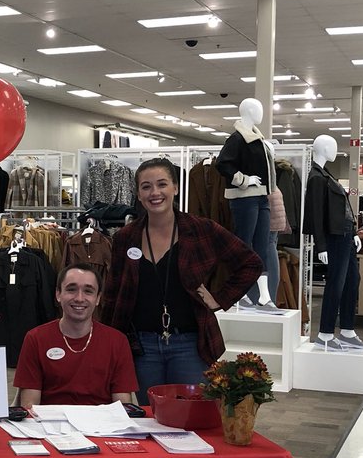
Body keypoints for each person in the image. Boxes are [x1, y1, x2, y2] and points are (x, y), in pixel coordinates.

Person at [102, 156, 263, 403]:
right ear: (138, 194)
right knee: (151, 416)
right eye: (146, 186)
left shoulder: (201, 229)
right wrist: (109, 343)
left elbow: (250, 263)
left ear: (175, 188)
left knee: (193, 416)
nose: (155, 192)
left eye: (162, 184)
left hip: (190, 344)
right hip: (142, 347)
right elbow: (113, 293)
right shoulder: (126, 237)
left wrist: (219, 299)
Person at [14, 265, 138, 407]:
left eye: (88, 291)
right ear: (58, 294)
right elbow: (29, 406)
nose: (79, 298)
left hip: (102, 426)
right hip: (49, 426)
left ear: (98, 299)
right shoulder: (35, 339)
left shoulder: (118, 341)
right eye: (71, 289)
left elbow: (123, 407)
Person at [304, 135, 363, 351]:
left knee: (352, 280)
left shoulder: (326, 174)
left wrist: (355, 233)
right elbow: (316, 214)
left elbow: (343, 209)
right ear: (322, 148)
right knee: (336, 283)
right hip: (334, 237)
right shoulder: (315, 177)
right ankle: (325, 334)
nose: (335, 149)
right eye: (331, 146)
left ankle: (348, 330)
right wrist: (320, 245)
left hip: (346, 235)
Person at [215, 97, 276, 306]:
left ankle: (264, 295)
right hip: (244, 199)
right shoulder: (237, 138)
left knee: (261, 245)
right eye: (257, 109)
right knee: (244, 243)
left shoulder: (257, 138)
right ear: (248, 111)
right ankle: (239, 292)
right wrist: (243, 180)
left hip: (261, 198)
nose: (261, 112)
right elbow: (222, 164)